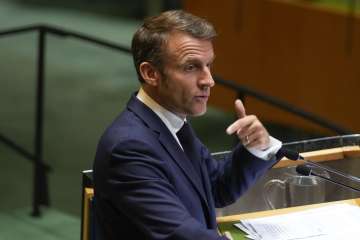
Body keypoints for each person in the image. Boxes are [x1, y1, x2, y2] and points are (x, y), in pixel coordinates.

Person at [93, 10, 282, 240]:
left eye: (208, 65)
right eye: (191, 67)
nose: (208, 81)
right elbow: (180, 234)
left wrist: (256, 147)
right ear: (150, 73)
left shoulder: (172, 122)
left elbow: (215, 189)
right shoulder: (129, 147)